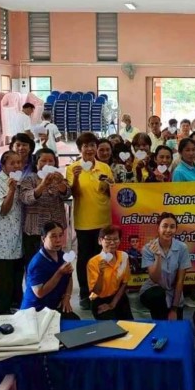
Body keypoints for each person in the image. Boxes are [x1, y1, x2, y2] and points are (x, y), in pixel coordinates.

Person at [65, 132, 114, 310]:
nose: (89, 149)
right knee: (85, 259)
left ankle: (103, 290)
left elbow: (110, 193)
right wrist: (77, 177)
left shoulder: (104, 167)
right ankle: (85, 293)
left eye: (92, 145)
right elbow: (75, 194)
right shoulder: (73, 168)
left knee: (103, 257)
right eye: (85, 146)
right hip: (84, 221)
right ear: (80, 149)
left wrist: (109, 185)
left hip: (104, 220)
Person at [0, 151, 25, 315]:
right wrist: (11, 190)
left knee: (17, 280)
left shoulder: (19, 181)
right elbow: (2, 210)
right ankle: (1, 314)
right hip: (2, 243)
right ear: (3, 166)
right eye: (12, 163)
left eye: (19, 162)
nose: (16, 166)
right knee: (3, 282)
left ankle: (17, 312)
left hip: (17, 239)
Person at [20, 148, 70, 266]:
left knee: (55, 262)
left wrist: (60, 183)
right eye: (43, 161)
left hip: (55, 227)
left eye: (51, 161)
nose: (47, 164)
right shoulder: (29, 178)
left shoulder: (59, 178)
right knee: (34, 263)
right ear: (36, 163)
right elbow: (26, 198)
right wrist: (42, 185)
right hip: (35, 229)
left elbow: (67, 194)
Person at [20, 221, 80, 320]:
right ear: (43, 239)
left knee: (75, 321)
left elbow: (69, 277)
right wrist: (59, 273)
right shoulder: (37, 263)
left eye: (60, 235)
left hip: (53, 308)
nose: (58, 240)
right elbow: (40, 293)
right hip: (35, 311)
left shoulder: (62, 255)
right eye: (53, 236)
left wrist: (67, 297)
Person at [139, 213, 192, 320]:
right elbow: (155, 278)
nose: (168, 230)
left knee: (176, 325)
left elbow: (180, 281)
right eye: (165, 226)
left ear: (176, 229)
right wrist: (157, 256)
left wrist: (174, 309)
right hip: (153, 291)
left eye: (172, 227)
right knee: (158, 298)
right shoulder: (148, 248)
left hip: (173, 293)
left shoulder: (182, 248)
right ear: (158, 228)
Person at [87, 225, 134, 321]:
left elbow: (124, 282)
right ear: (100, 241)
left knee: (129, 325)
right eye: (108, 239)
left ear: (120, 240)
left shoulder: (124, 256)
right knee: (111, 327)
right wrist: (101, 273)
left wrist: (113, 304)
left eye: (115, 239)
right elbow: (96, 292)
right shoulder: (93, 262)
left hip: (117, 296)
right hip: (99, 299)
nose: (112, 243)